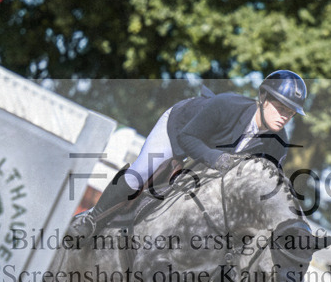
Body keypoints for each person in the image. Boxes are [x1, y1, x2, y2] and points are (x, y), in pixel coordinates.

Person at [73, 70, 308, 238]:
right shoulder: (227, 105)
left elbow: (263, 185)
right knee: (141, 172)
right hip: (180, 128)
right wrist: (215, 158)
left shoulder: (278, 145)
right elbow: (187, 138)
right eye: (280, 107)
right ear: (263, 99)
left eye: (290, 113)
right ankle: (92, 219)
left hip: (211, 161)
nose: (285, 116)